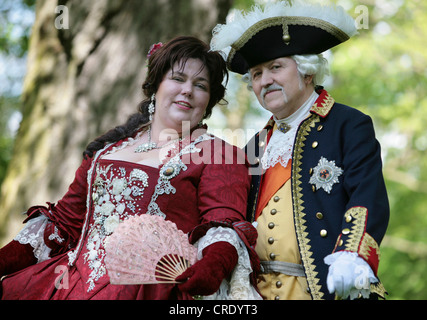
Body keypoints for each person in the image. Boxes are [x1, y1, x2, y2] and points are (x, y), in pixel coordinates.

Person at [0, 36, 261, 300]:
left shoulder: (220, 154)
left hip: (149, 291)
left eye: (201, 85)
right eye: (178, 79)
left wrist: (214, 265)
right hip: (71, 286)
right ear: (156, 85)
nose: (188, 90)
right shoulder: (106, 150)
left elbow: (224, 225)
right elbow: (63, 226)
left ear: (209, 100)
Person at [210, 1, 389, 300]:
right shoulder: (252, 147)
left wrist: (353, 255)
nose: (265, 81)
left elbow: (366, 197)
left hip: (328, 286)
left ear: (307, 72)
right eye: (256, 74)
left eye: (275, 68)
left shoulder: (348, 125)